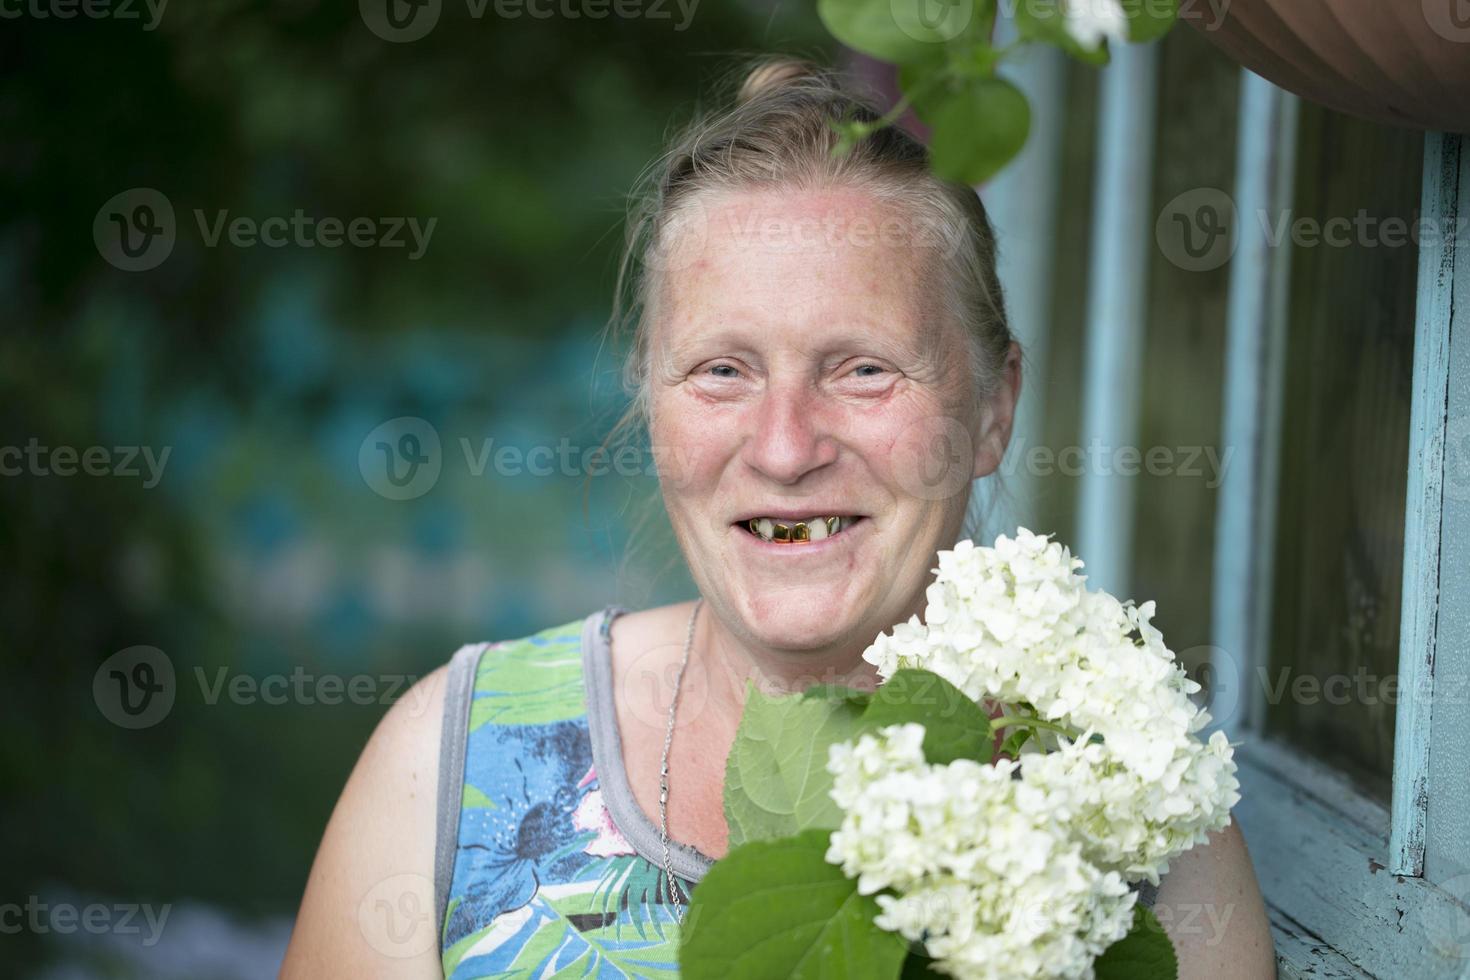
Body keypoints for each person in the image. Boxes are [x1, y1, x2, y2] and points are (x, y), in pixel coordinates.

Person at [282, 56, 1276, 980]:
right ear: (649, 401)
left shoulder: (1130, 805)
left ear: (991, 409)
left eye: (863, 369)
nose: (786, 446)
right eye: (723, 371)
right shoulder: (452, 770)